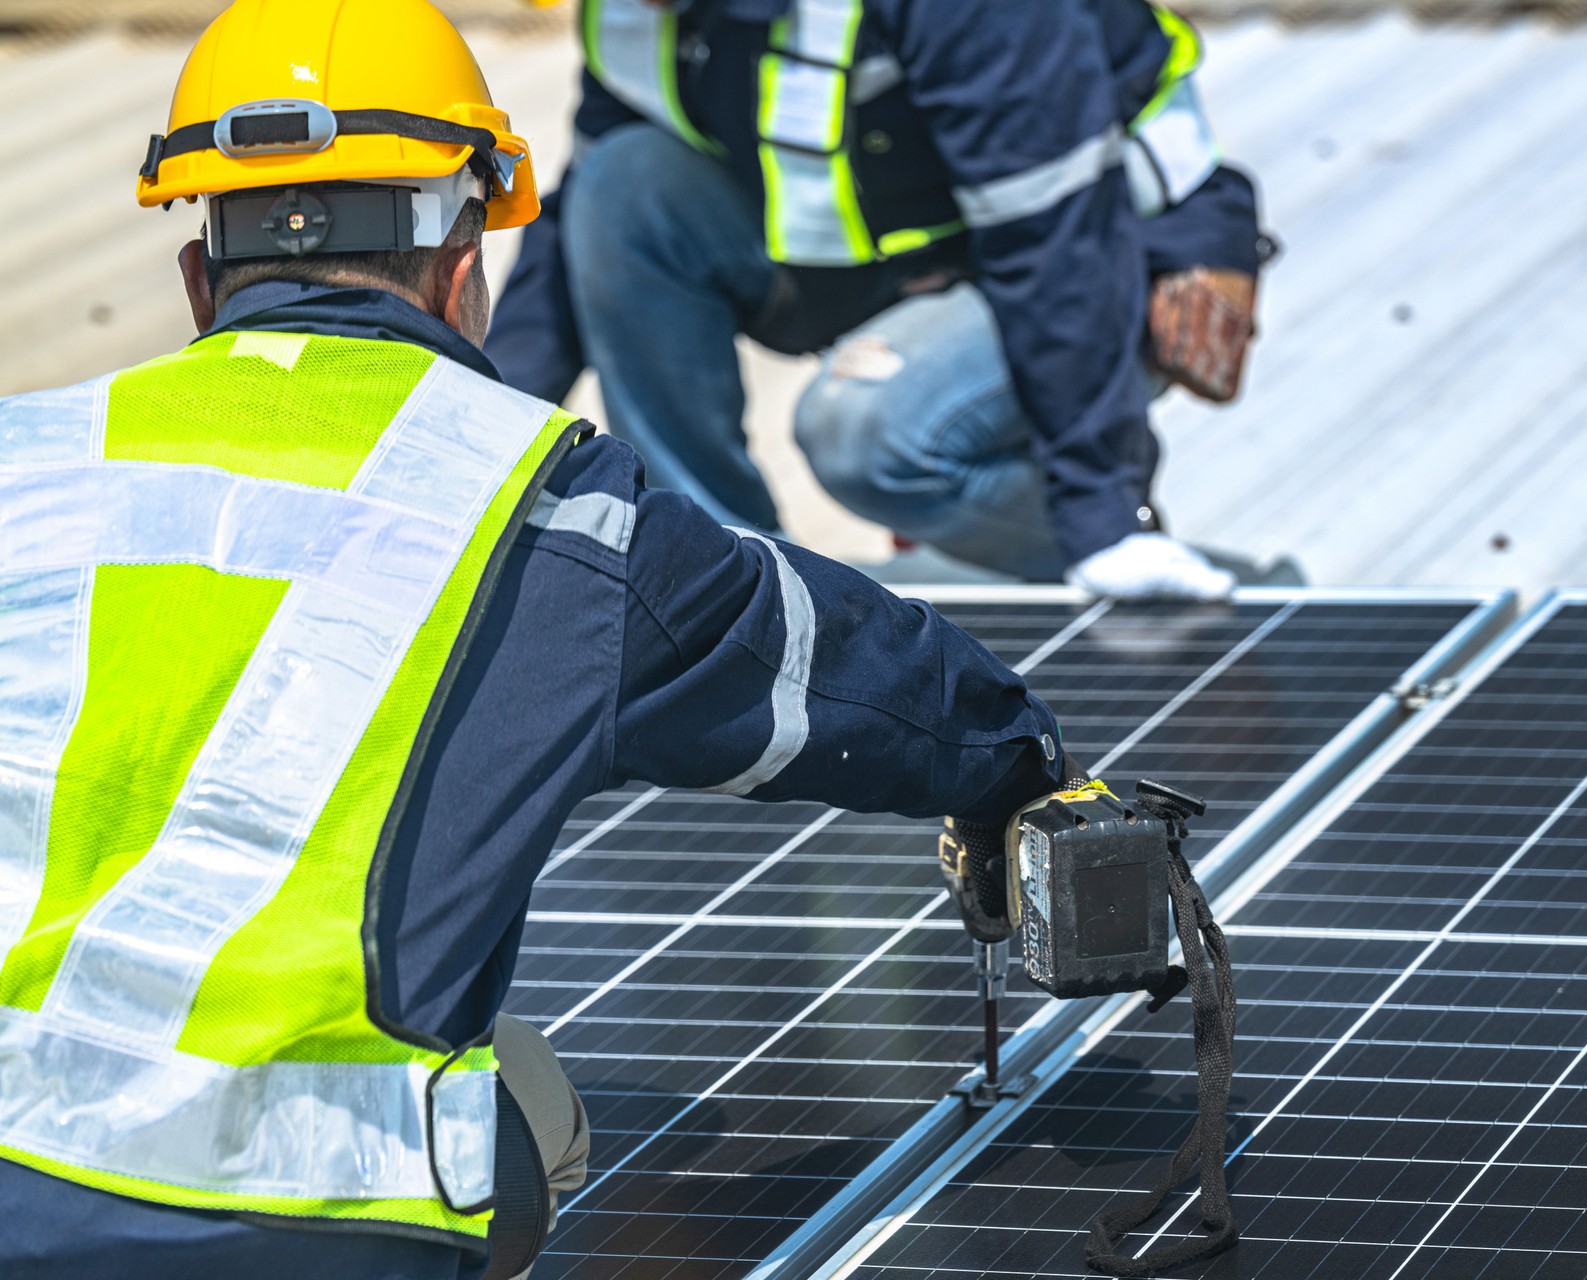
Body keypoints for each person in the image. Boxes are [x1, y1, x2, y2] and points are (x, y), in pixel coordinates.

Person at [0, 3, 1079, 1277]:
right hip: (314, 1224)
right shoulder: (561, 513)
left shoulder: (30, 459)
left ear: (197, 282)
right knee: (530, 1101)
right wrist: (1022, 764)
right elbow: (848, 675)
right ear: (466, 277)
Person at [491, 0, 1272, 600]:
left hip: (1101, 244)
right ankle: (717, 590)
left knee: (870, 434)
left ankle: (1138, 569)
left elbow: (1056, 234)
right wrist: (480, 441)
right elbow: (581, 218)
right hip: (890, 235)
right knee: (623, 184)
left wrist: (1104, 510)